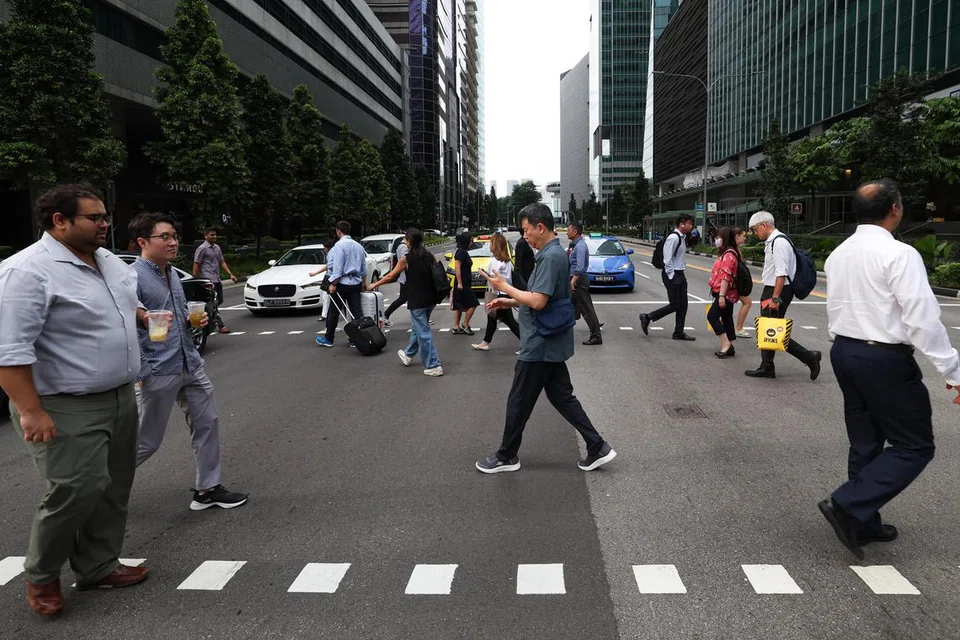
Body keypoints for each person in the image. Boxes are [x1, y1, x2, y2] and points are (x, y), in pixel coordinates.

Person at [0, 185, 148, 615]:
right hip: (64, 403)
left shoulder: (109, 262)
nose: (105, 224)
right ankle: (42, 575)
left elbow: (123, 307)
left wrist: (143, 317)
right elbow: (9, 351)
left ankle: (98, 565)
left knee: (114, 486)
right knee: (76, 489)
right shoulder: (26, 271)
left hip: (120, 395)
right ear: (59, 221)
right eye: (94, 218)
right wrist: (30, 411)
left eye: (105, 217)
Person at [819, 180, 960, 559]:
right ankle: (848, 504)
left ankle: (863, 521)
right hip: (883, 358)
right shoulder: (899, 254)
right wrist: (953, 372)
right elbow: (923, 319)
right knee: (915, 445)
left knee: (865, 440)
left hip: (845, 351)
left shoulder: (839, 254)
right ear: (895, 208)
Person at [475, 204, 616, 474]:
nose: (524, 236)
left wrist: (505, 288)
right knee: (562, 397)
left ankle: (507, 455)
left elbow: (539, 301)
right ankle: (597, 446)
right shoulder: (552, 254)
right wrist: (509, 301)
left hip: (539, 343)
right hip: (548, 340)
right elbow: (541, 297)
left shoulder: (550, 257)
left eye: (526, 230)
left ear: (540, 227)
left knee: (519, 400)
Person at [130, 213, 248, 511]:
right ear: (143, 241)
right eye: (164, 237)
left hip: (190, 364)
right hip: (157, 370)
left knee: (208, 423)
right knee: (146, 441)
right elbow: (126, 326)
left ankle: (207, 490)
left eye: (174, 236)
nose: (173, 242)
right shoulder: (132, 278)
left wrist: (193, 319)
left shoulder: (171, 273)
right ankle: (96, 489)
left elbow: (178, 315)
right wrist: (142, 370)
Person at [743, 211, 821, 380]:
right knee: (768, 328)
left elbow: (781, 274)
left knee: (770, 329)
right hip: (774, 289)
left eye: (755, 229)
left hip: (777, 291)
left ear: (763, 225)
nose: (755, 233)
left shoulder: (778, 242)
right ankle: (767, 366)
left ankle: (808, 356)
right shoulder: (775, 241)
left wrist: (775, 299)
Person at [369, 229, 443, 376]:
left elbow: (390, 276)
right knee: (418, 328)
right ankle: (408, 354)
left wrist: (374, 285)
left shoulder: (406, 259)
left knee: (423, 332)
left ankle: (434, 365)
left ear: (409, 241)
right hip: (431, 299)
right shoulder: (430, 256)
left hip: (417, 300)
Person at [640, 214, 695, 341]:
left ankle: (678, 332)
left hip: (680, 273)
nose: (691, 226)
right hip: (673, 274)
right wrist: (672, 276)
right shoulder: (673, 238)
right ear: (681, 224)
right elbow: (667, 259)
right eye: (689, 223)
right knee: (675, 304)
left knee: (683, 305)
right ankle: (647, 317)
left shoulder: (682, 237)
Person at [316, 221, 367, 348]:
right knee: (356, 312)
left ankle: (329, 338)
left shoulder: (339, 246)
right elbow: (364, 268)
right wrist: (364, 282)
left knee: (334, 311)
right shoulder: (359, 246)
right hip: (356, 282)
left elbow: (337, 268)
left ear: (338, 232)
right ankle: (356, 339)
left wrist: (333, 283)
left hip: (342, 283)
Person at [471, 233, 520, 351]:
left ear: (496, 245)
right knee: (492, 318)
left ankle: (528, 344)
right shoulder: (497, 260)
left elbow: (497, 281)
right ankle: (485, 342)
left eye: (491, 243)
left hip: (501, 295)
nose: (489, 246)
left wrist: (483, 274)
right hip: (496, 293)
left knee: (509, 321)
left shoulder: (502, 263)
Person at [193, 227, 238, 334]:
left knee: (218, 300)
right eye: (212, 235)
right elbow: (196, 263)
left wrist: (230, 274)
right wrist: (195, 279)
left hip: (216, 279)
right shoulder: (202, 248)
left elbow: (222, 261)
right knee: (213, 303)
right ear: (206, 236)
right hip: (208, 280)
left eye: (215, 234)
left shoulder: (217, 248)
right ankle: (220, 325)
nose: (214, 237)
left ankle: (207, 318)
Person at [567, 222, 603, 346]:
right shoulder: (575, 245)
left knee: (587, 310)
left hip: (578, 281)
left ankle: (596, 336)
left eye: (569, 230)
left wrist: (573, 281)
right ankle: (562, 332)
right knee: (569, 307)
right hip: (575, 279)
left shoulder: (580, 246)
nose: (567, 232)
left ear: (575, 232)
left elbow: (580, 267)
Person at [707, 227, 741, 358]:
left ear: (725, 239)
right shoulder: (728, 253)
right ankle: (730, 345)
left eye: (718, 238)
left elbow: (726, 277)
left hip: (725, 293)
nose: (716, 240)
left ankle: (726, 344)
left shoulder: (728, 255)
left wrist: (721, 295)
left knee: (712, 316)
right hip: (727, 292)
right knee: (726, 317)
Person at [450, 231, 480, 335]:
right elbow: (457, 267)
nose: (471, 243)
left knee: (459, 305)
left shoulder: (462, 251)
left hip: (464, 283)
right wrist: (459, 283)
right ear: (466, 241)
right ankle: (465, 324)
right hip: (462, 284)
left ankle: (456, 327)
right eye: (470, 241)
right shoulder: (461, 252)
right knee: (474, 303)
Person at [307, 238, 336, 322]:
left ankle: (326, 315)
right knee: (326, 296)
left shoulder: (331, 254)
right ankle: (325, 314)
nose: (324, 249)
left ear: (328, 248)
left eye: (325, 248)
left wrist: (315, 273)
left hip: (330, 277)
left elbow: (328, 266)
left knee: (327, 297)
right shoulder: (333, 253)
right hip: (330, 277)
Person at [383, 237, 408, 328]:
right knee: (403, 299)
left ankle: (422, 318)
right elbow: (405, 262)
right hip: (406, 278)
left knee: (410, 298)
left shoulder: (402, 246)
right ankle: (386, 315)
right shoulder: (403, 247)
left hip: (406, 278)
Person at [733, 228, 754, 338]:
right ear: (737, 237)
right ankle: (738, 328)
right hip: (736, 283)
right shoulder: (732, 250)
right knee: (747, 302)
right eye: (743, 236)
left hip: (736, 283)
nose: (744, 238)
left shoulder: (734, 249)